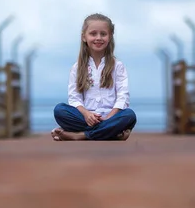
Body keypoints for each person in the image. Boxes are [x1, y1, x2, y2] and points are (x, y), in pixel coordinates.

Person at [51, 13, 137, 141]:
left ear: (110, 36)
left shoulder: (117, 66)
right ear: (84, 37)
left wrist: (109, 118)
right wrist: (86, 114)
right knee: (60, 110)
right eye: (93, 34)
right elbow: (74, 98)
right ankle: (110, 133)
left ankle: (81, 135)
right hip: (86, 118)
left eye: (103, 34)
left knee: (129, 116)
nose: (98, 38)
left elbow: (122, 96)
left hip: (111, 117)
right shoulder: (77, 67)